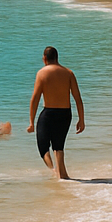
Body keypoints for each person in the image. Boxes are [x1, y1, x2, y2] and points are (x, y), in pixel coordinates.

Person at [27, 46, 85, 180]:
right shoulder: (69, 73)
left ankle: (53, 170)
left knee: (43, 147)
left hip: (49, 113)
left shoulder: (42, 73)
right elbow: (78, 98)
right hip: (65, 114)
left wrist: (31, 122)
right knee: (58, 146)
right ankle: (62, 174)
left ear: (44, 58)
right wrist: (81, 119)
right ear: (57, 58)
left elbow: (35, 98)